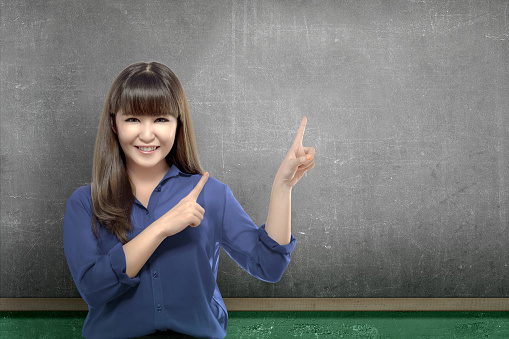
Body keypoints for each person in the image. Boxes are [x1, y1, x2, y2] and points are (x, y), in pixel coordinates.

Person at [63, 61, 315, 339]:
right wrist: (160, 228)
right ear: (114, 123)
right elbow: (93, 289)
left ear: (177, 124)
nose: (147, 134)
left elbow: (269, 266)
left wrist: (282, 188)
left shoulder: (211, 193)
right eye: (133, 119)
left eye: (161, 119)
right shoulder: (85, 203)